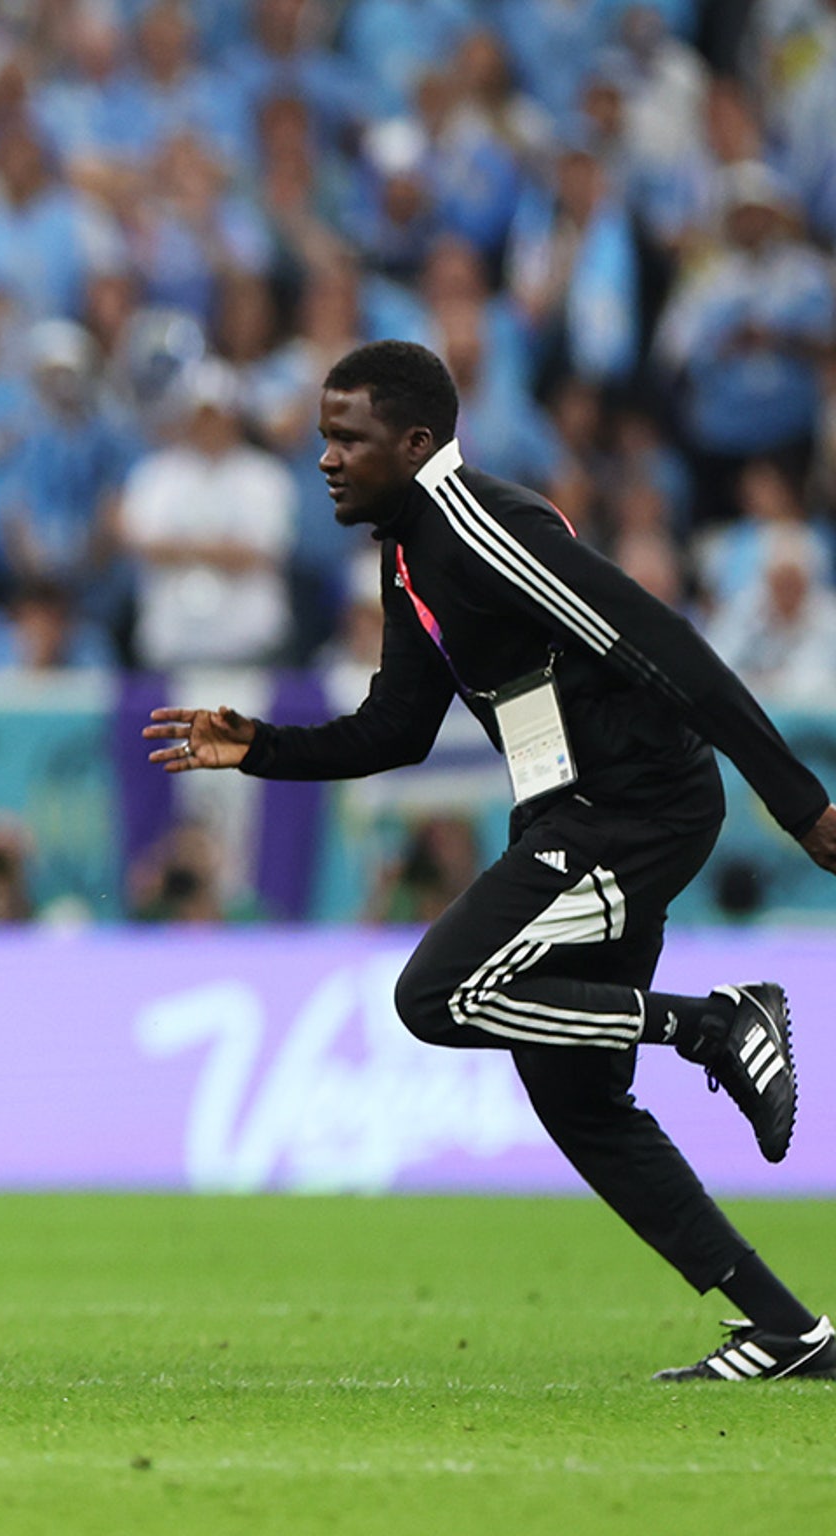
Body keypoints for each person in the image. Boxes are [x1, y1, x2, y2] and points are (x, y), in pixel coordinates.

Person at [144, 339, 836, 1383]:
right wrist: (263, 749)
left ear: (415, 442)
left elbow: (661, 643)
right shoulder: (406, 549)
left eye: (348, 438)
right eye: (322, 436)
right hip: (572, 811)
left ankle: (713, 1023)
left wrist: (796, 800)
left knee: (435, 993)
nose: (324, 458)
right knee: (578, 1103)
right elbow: (395, 729)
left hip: (629, 808)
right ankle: (784, 1332)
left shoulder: (474, 523)